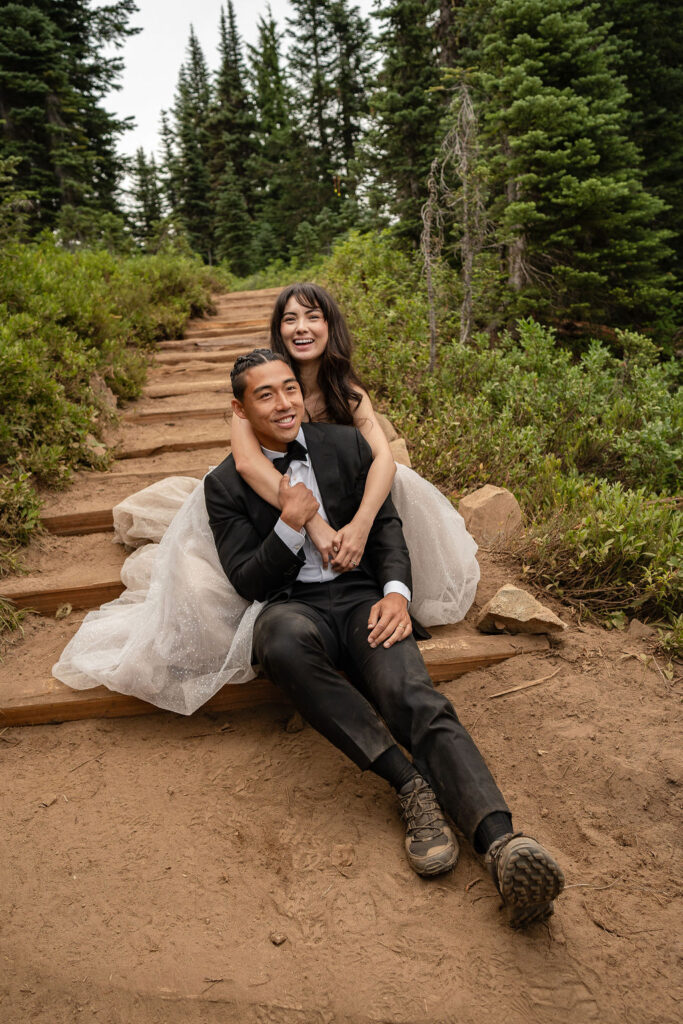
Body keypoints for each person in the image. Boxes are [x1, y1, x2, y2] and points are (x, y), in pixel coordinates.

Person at [204, 347, 565, 928]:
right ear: (239, 409)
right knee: (279, 639)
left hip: (362, 598)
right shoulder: (223, 485)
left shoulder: (344, 446)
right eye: (264, 394)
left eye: (289, 389)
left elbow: (388, 529)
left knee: (413, 694)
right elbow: (248, 580)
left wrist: (396, 592)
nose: (283, 403)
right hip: (292, 605)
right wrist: (289, 525)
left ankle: (502, 844)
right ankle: (409, 782)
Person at [53, 284, 478, 715]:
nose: (302, 328)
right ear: (277, 330)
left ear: (331, 326)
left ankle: (386, 581)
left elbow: (383, 457)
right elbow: (249, 467)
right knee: (209, 576)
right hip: (274, 506)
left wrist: (362, 523)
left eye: (313, 317)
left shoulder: (345, 390)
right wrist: (314, 524)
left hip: (340, 505)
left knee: (398, 477)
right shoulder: (262, 382)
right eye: (289, 319)